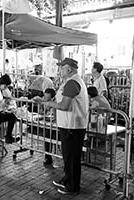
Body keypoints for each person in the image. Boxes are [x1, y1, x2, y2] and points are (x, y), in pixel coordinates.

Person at [41, 58, 89, 194]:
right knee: (68, 157)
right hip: (69, 125)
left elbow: (64, 106)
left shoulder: (72, 83)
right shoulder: (70, 82)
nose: (59, 70)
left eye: (61, 68)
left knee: (72, 158)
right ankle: (67, 180)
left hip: (72, 126)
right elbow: (60, 100)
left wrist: (48, 104)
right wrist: (46, 101)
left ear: (68, 69)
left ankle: (73, 187)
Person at [33, 88, 57, 166]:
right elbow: (41, 112)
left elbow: (53, 115)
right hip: (48, 124)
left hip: (56, 125)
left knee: (49, 136)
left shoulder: (56, 103)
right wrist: (41, 106)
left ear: (52, 97)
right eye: (44, 96)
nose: (45, 98)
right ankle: (48, 157)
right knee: (47, 137)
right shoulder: (44, 101)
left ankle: (49, 156)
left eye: (47, 97)